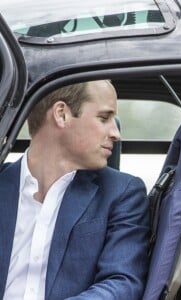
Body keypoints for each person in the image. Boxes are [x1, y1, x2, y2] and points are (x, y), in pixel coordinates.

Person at [0, 80, 150, 300]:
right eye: (104, 118)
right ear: (62, 114)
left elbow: (122, 284)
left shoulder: (122, 193)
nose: (116, 134)